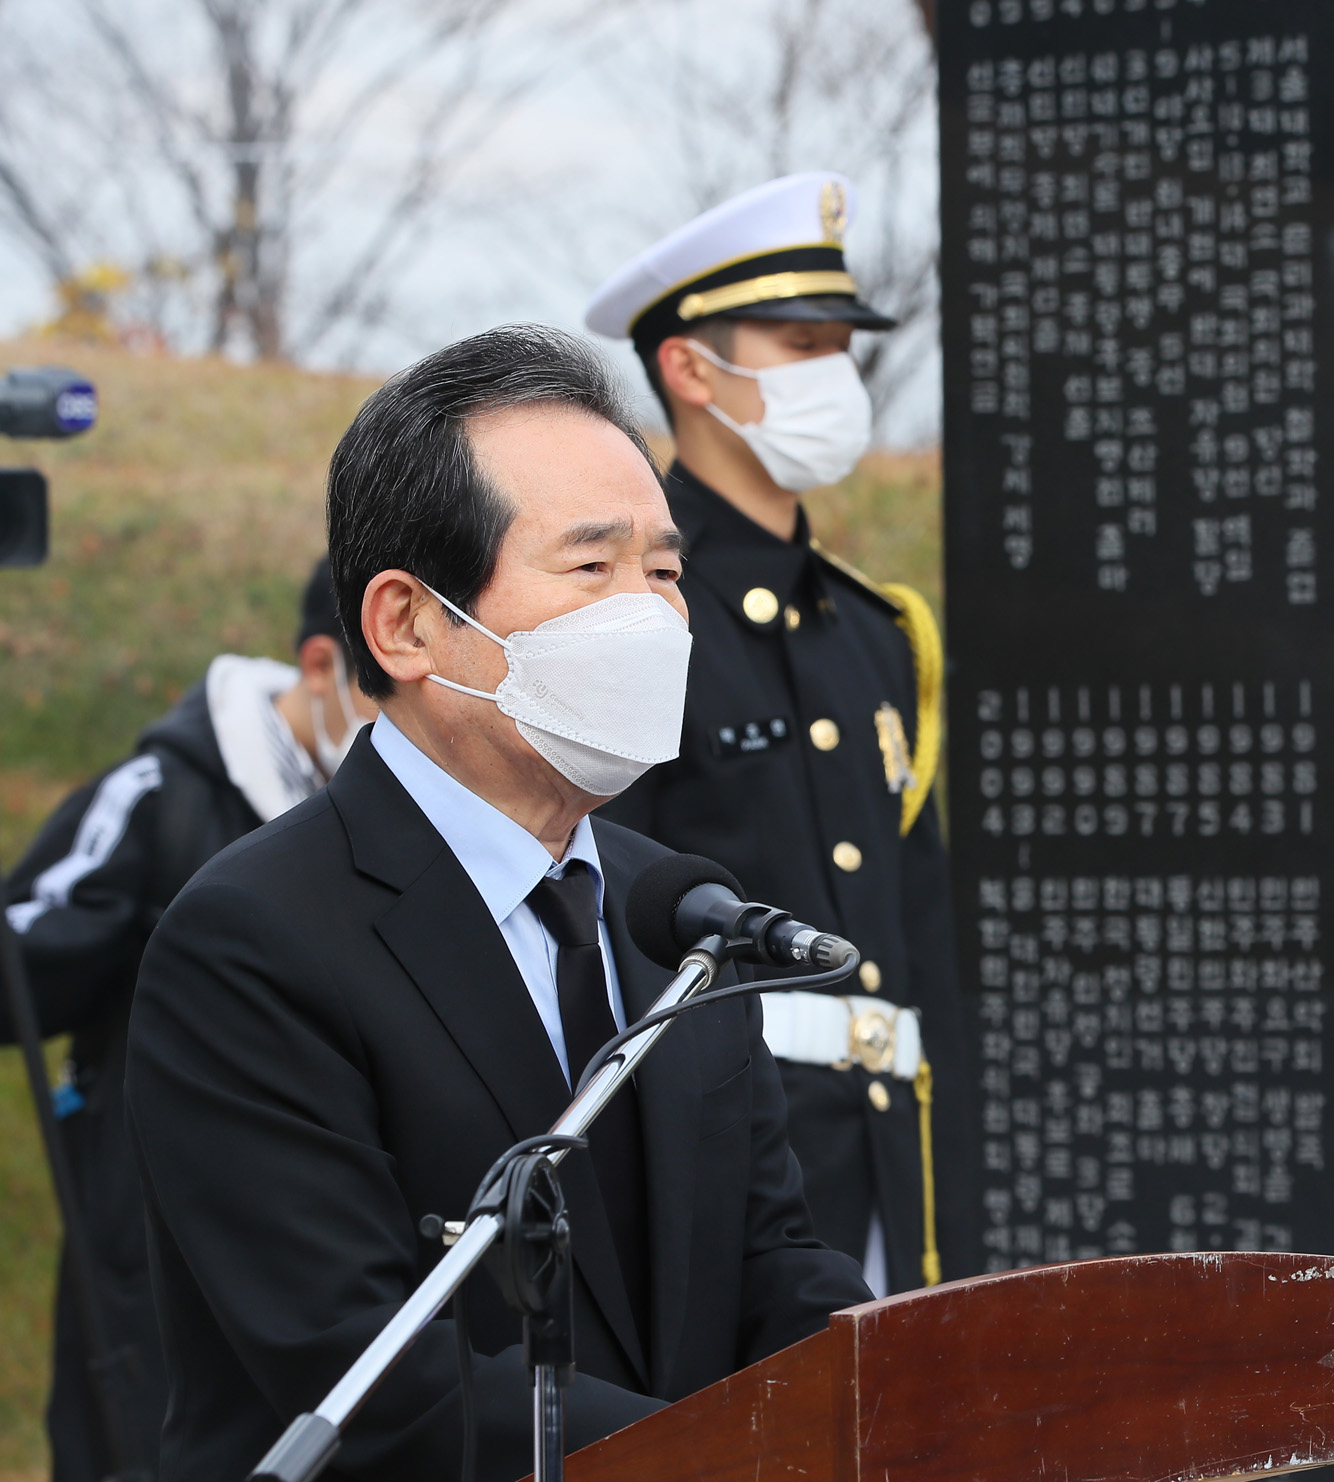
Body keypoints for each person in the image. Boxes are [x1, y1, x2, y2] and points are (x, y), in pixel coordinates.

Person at [125, 325, 872, 1481]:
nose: (652, 616)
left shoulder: (678, 917)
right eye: (591, 568)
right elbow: (377, 1380)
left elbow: (769, 1261)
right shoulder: (252, 942)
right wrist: (734, 1459)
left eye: (665, 571)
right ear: (406, 625)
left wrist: (907, 1401)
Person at [582, 172, 974, 1296]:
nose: (834, 377)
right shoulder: (633, 619)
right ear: (689, 367)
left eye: (839, 346)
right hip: (721, 1169)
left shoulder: (876, 630)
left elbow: (922, 935)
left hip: (895, 1162)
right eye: (799, 343)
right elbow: (604, 927)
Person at [3, 559, 375, 1482]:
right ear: (321, 665)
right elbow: (26, 953)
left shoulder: (381, 829)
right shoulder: (163, 798)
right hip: (154, 1243)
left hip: (331, 1243)